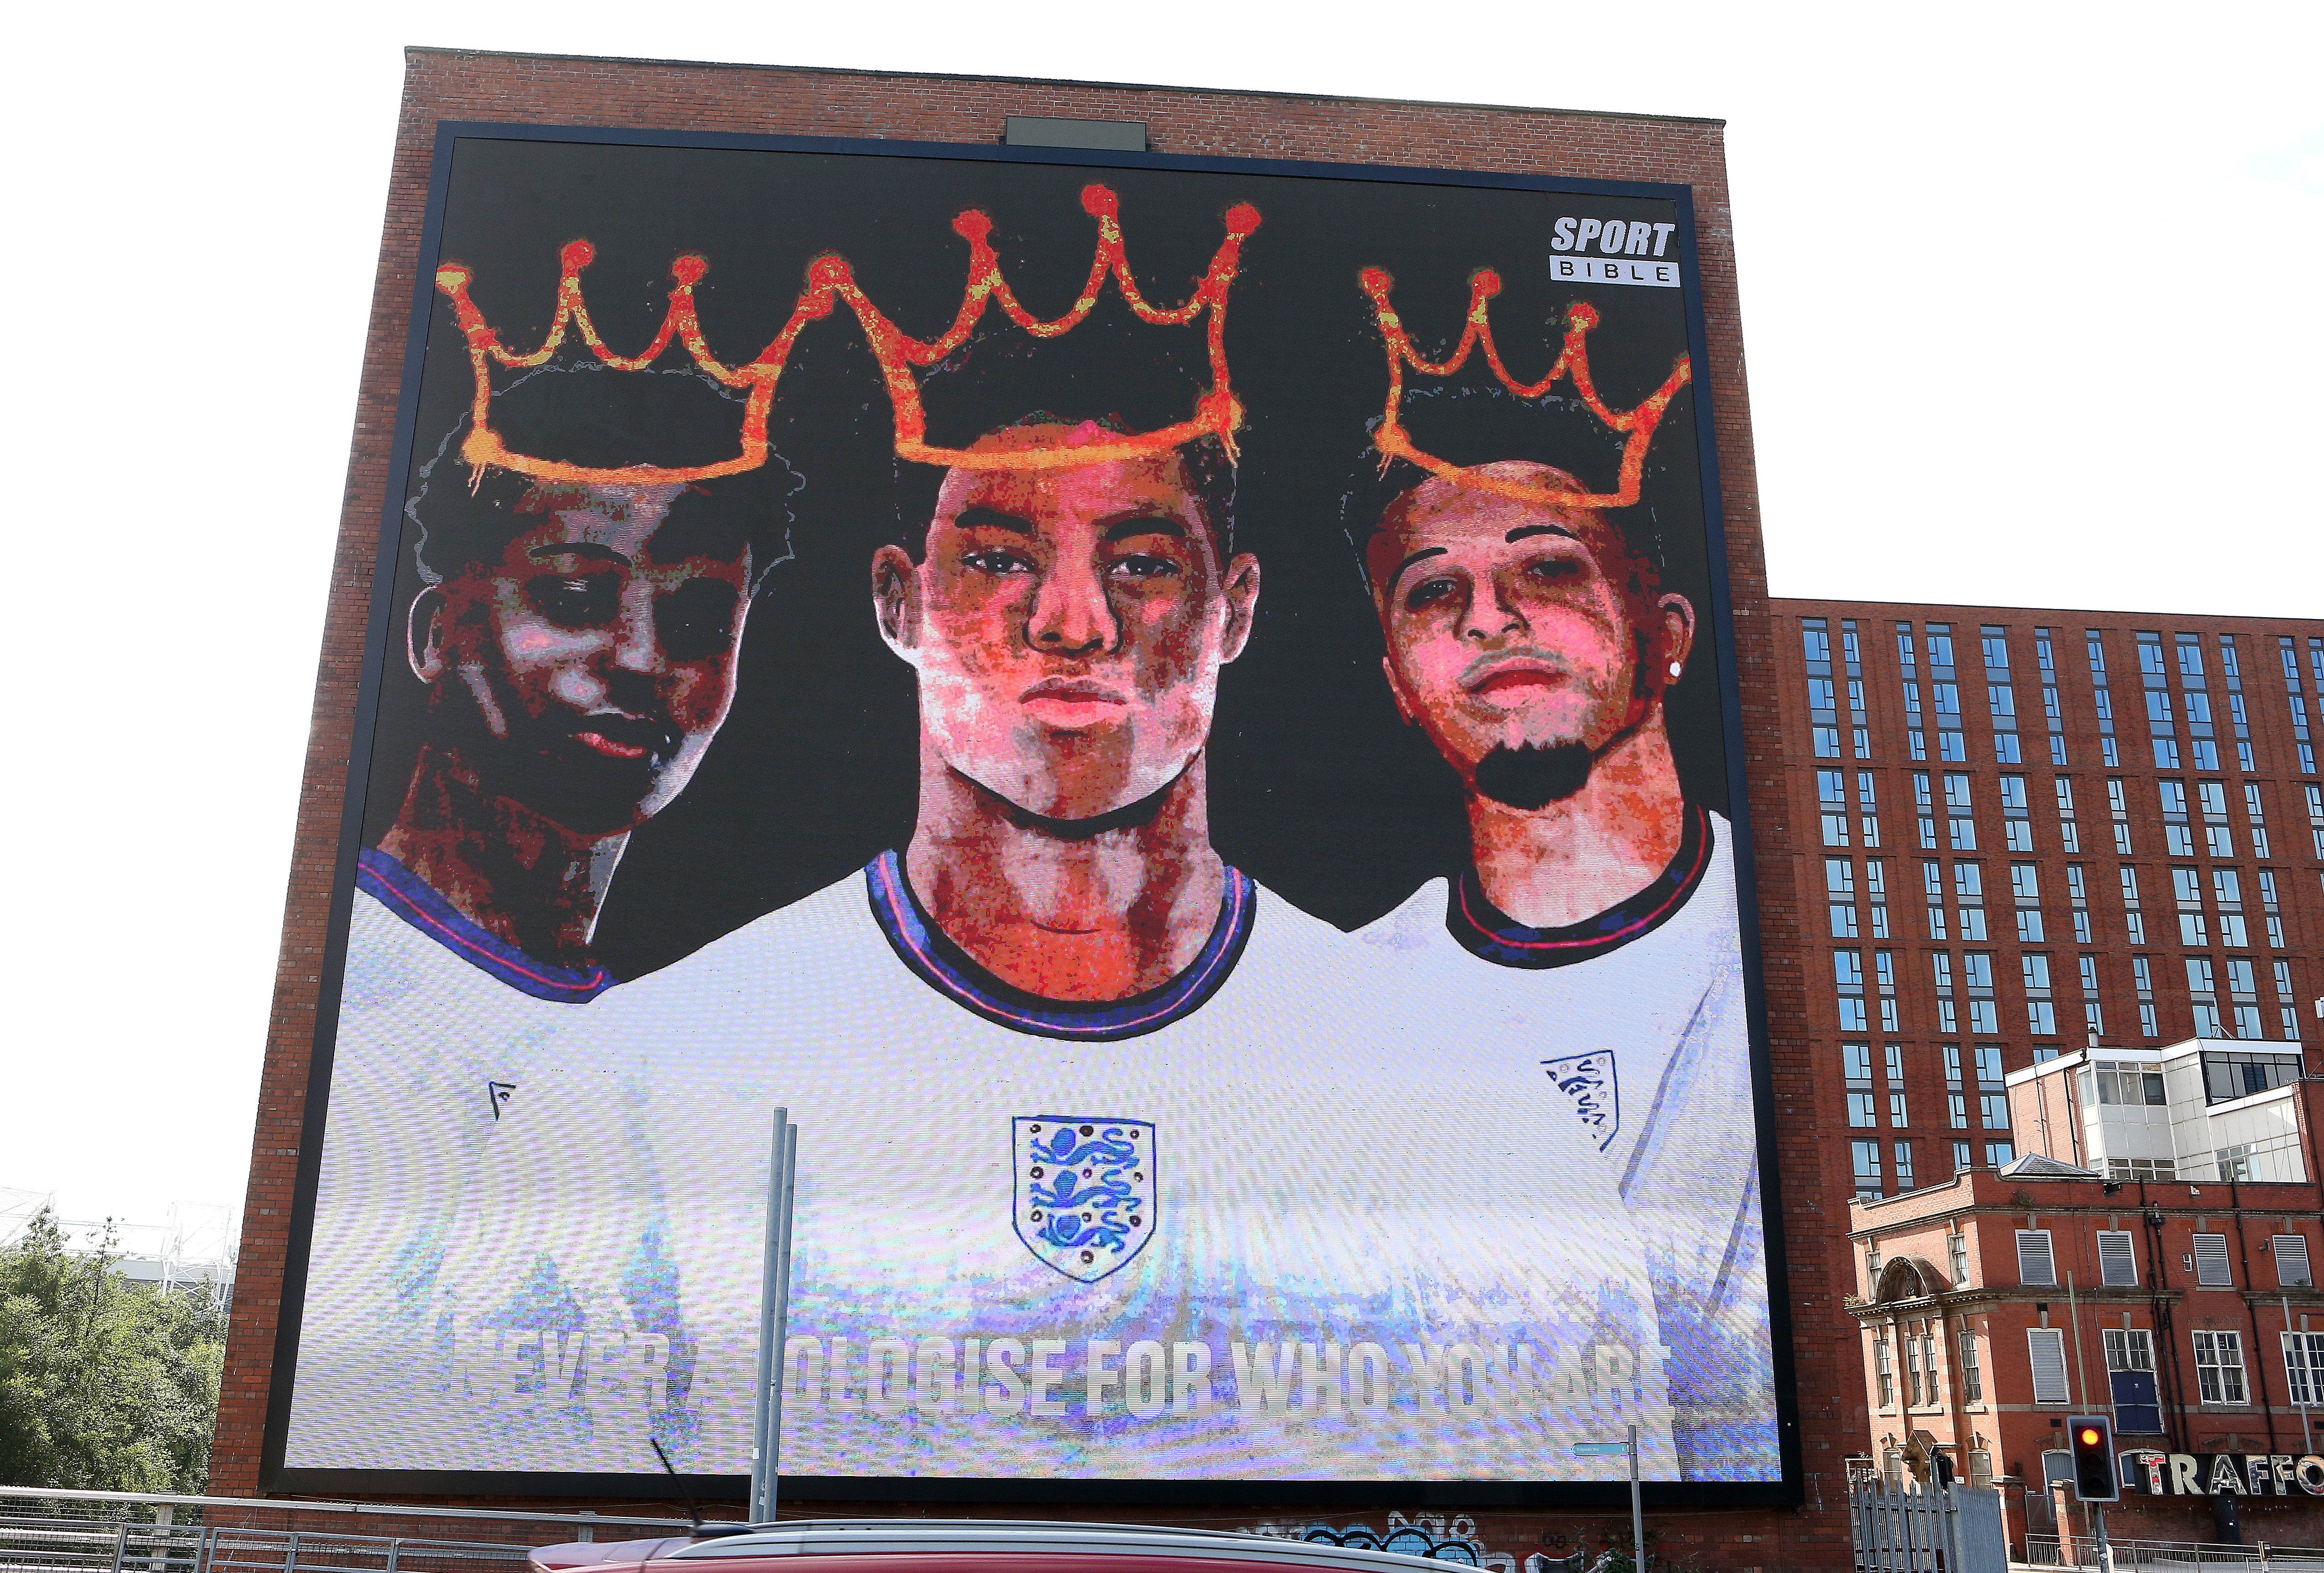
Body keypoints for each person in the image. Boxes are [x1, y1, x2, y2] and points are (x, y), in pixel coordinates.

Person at [552, 335, 1677, 1482]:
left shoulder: (1463, 1096)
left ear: (1234, 611)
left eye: (1140, 563)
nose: (1074, 621)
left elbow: (1588, 1527)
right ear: (900, 600)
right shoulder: (646, 1073)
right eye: (998, 560)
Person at [280, 362, 795, 1472]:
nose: (645, 659)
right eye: (572, 597)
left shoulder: (698, 1069)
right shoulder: (347, 987)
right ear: (431, 632)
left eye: (702, 617)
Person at [1349, 386, 1775, 1479]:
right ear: (1396, 680)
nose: (1488, 618)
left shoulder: (1782, 939)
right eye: (1435, 591)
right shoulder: (1338, 1007)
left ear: (1666, 633)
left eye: (1548, 569)